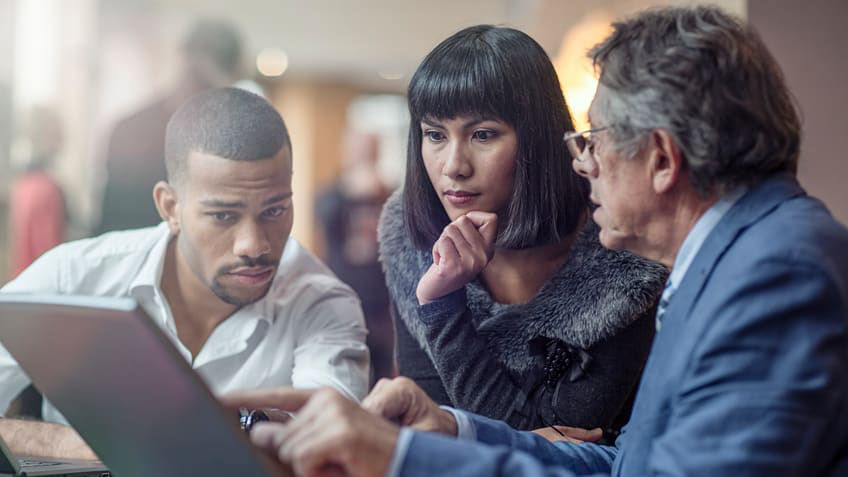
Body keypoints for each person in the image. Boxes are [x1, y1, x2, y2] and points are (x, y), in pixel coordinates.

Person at [225, 6, 848, 476]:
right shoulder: (734, 258)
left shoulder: (775, 272)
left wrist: (404, 459)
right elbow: (624, 462)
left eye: (594, 140)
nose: (583, 163)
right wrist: (448, 429)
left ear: (660, 158)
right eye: (435, 136)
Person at [0, 87, 369, 460]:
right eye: (223, 215)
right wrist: (82, 446)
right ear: (170, 206)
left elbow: (330, 451)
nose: (254, 246)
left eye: (274, 211)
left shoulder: (323, 303)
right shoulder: (72, 277)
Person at [377, 24, 666, 434]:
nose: (453, 166)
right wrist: (440, 302)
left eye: (482, 134)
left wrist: (444, 314)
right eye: (435, 135)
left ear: (537, 138)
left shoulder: (621, 251)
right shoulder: (412, 244)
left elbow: (567, 446)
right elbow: (430, 430)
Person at [96, 20, 243, 234]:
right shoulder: (130, 130)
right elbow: (111, 222)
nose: (198, 92)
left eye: (206, 84)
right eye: (196, 79)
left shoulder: (233, 139)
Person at [315, 130, 394, 383]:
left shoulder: (388, 194)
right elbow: (324, 223)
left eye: (371, 150)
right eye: (360, 150)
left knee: (381, 377)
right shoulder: (332, 194)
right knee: (344, 375)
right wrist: (350, 192)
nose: (365, 156)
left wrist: (380, 196)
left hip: (381, 305)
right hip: (343, 298)